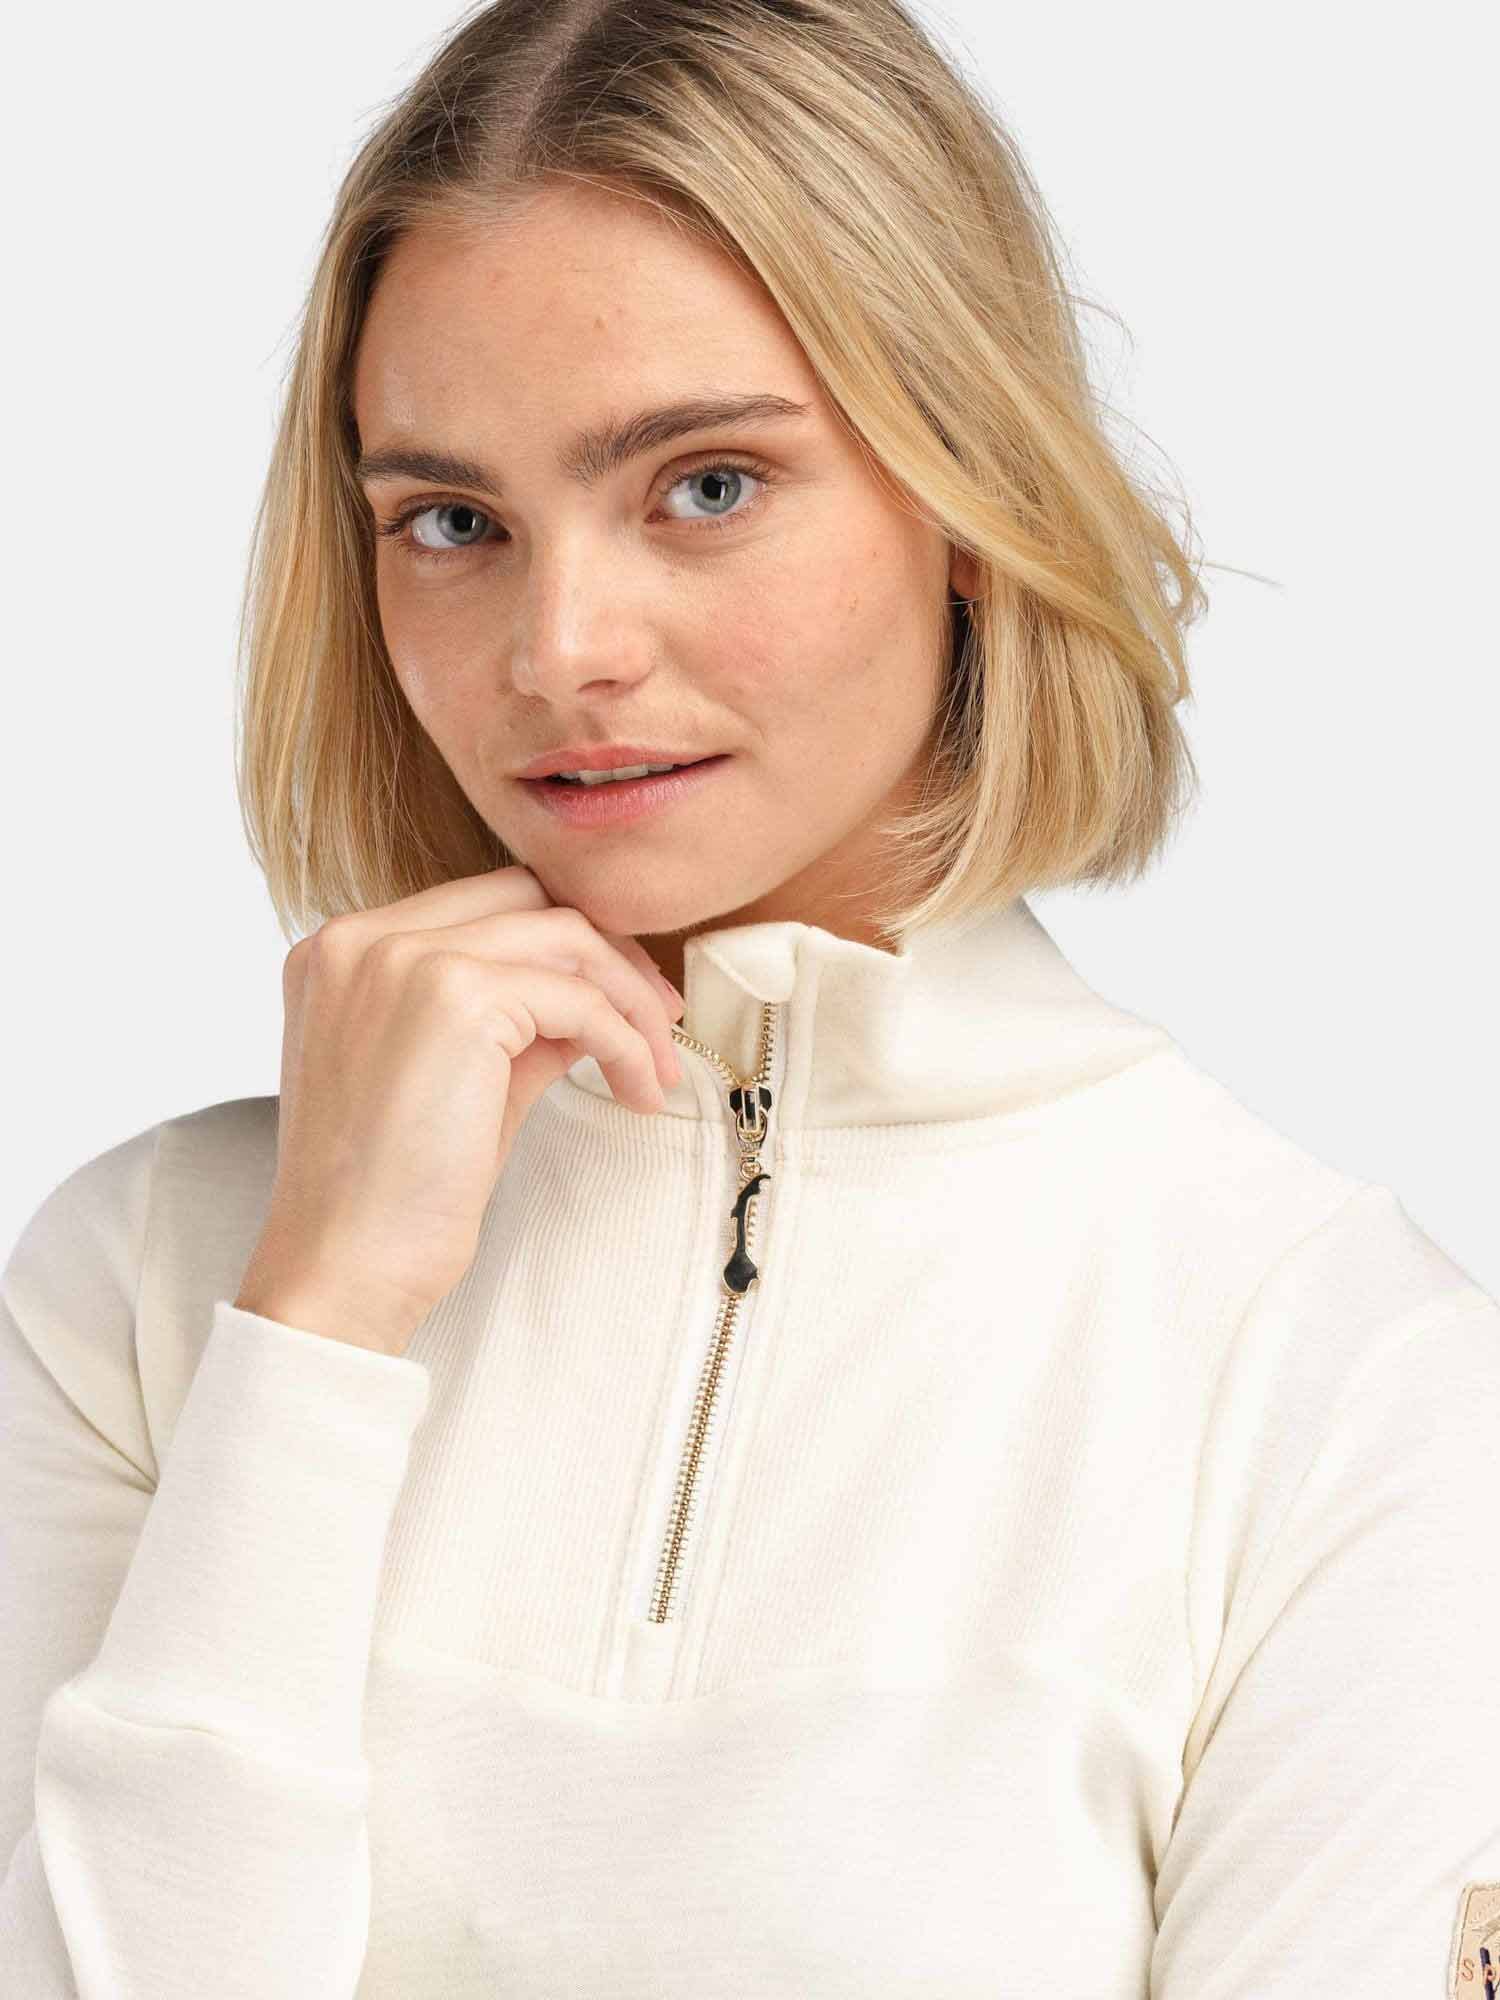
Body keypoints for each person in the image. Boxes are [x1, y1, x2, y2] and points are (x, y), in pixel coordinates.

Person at [2, 1, 1496, 1994]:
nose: (560, 649)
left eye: (705, 487)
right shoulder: (149, 1284)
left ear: (967, 501)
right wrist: (319, 1324)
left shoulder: (1332, 1369)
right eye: (453, 522)